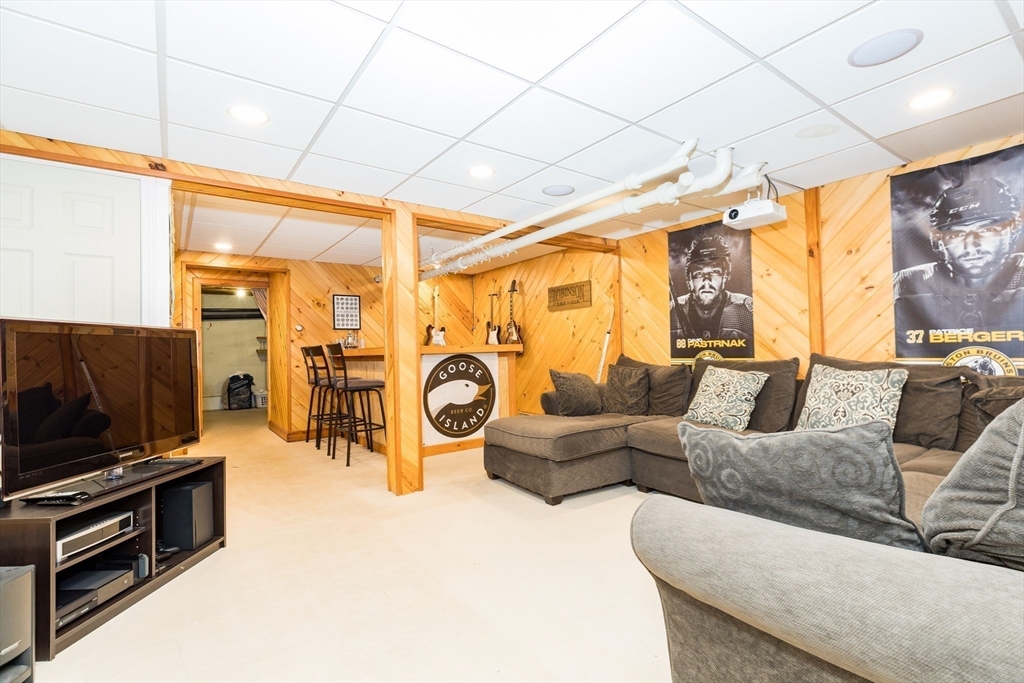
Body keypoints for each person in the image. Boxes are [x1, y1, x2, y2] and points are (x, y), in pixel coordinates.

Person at [893, 177, 1023, 331]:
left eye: (987, 230)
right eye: (956, 235)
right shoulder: (905, 283)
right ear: (938, 243)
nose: (971, 246)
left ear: (1013, 233)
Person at [671, 234, 753, 344]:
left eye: (714, 272)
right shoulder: (672, 312)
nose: (706, 281)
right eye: (699, 273)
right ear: (689, 279)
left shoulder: (745, 311)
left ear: (726, 275)